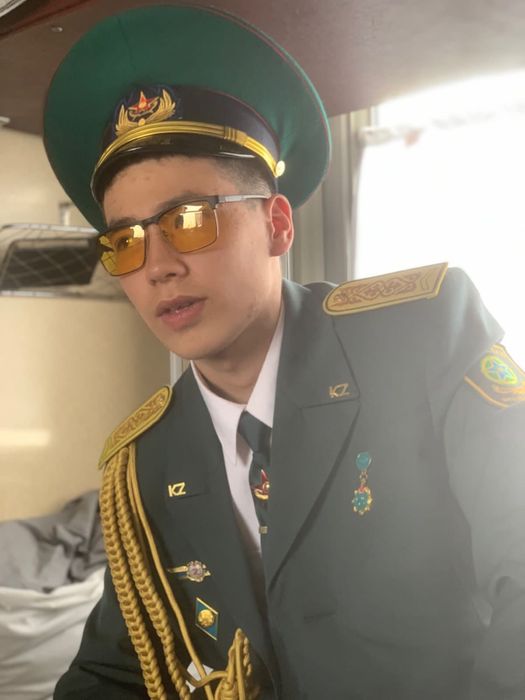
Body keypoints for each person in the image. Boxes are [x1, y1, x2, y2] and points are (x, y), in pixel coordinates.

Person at [44, 5, 525, 699]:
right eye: (126, 242)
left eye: (188, 220)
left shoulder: (422, 338)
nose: (157, 267)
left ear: (275, 224)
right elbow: (113, 670)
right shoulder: (145, 461)